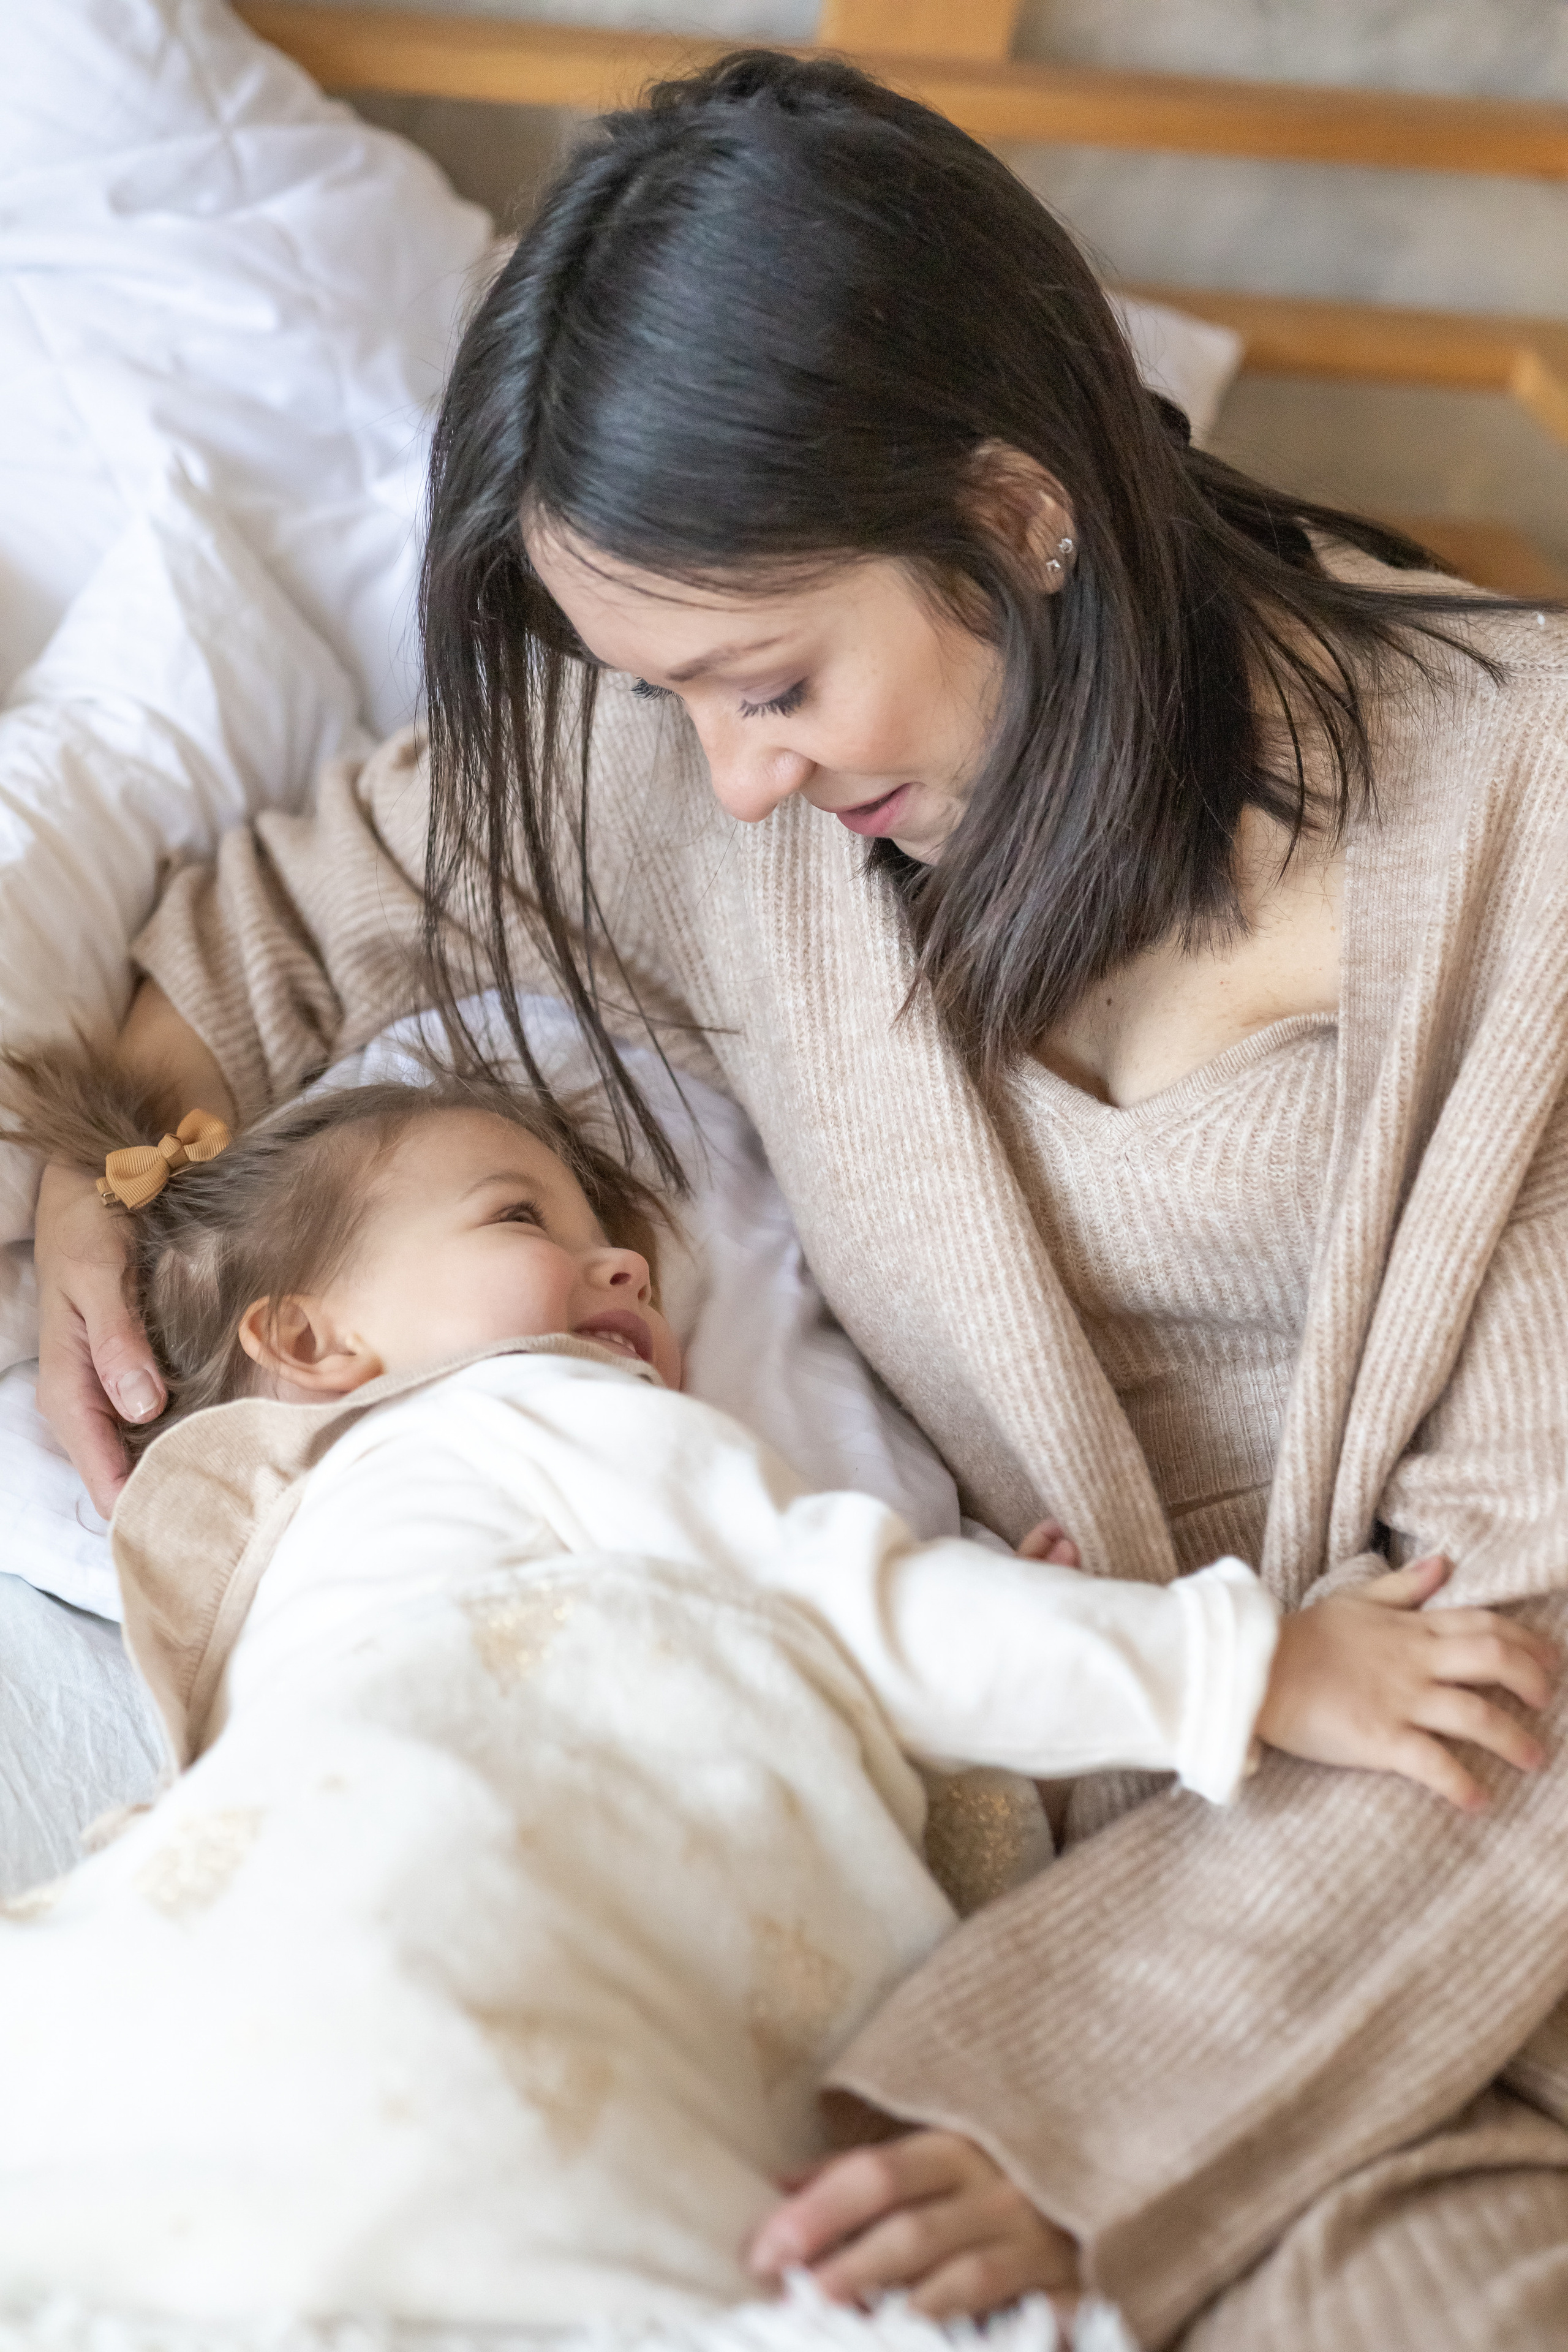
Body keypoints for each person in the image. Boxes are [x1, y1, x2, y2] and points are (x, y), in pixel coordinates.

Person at [30, 47, 1568, 2350]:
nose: (730, 780)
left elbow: (1530, 1648)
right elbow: (301, 908)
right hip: (1040, 1838)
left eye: (769, 688)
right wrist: (94, 1151)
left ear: (1016, 509)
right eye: (670, 698)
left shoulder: (1529, 853)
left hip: (1428, 1904)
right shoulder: (717, 776)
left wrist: (1070, 2105)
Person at [6, 1061, 1544, 2321]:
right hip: (440, 1959)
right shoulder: (523, 1408)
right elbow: (855, 1610)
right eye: (519, 1215)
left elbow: (759, 1745)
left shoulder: (272, 1606)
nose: (621, 1265)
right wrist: (1248, 1666)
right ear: (312, 1339)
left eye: (614, 1244)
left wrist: (984, 1721)